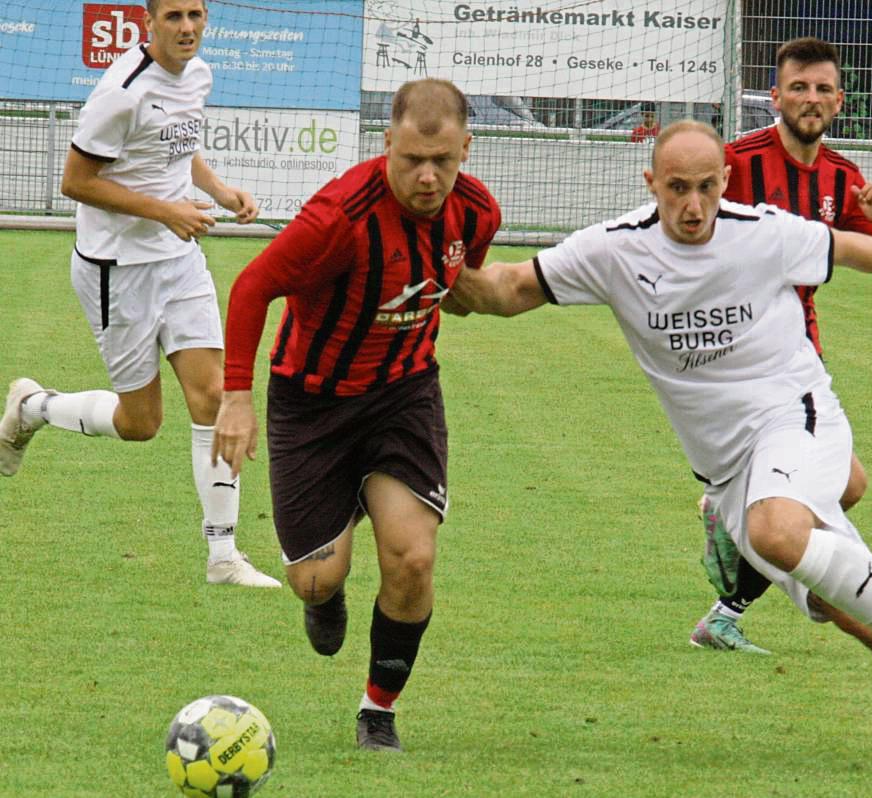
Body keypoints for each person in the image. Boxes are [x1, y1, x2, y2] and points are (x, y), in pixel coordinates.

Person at [445, 119, 872, 733]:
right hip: (725, 466)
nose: (693, 205)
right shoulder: (615, 249)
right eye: (677, 188)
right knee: (829, 593)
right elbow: (509, 288)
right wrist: (445, 274)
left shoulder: (761, 232)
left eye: (707, 187)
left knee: (778, 532)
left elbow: (847, 247)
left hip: (795, 412)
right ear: (650, 182)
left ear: (726, 181)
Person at [211, 78, 501, 752]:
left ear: (465, 148)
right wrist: (235, 396)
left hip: (403, 394)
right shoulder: (339, 218)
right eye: (410, 161)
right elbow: (254, 286)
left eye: (443, 162)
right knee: (316, 577)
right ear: (387, 145)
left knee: (412, 558)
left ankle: (378, 712)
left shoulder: (477, 212)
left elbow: (454, 285)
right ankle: (324, 594)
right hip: (310, 404)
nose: (427, 177)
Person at [0, 0, 279, 589]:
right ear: (147, 22)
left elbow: (177, 148)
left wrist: (221, 190)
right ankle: (32, 407)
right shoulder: (120, 91)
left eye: (196, 15)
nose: (187, 27)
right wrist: (165, 211)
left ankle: (223, 555)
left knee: (212, 397)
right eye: (174, 16)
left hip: (179, 264)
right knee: (140, 423)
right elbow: (75, 182)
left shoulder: (199, 74)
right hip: (116, 270)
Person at [689, 36, 872, 658]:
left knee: (845, 486)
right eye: (798, 87)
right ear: (775, 97)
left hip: (798, 356)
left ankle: (726, 598)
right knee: (832, 490)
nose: (810, 100)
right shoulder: (735, 164)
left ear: (839, 101)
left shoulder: (844, 178)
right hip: (736, 356)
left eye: (821, 90)